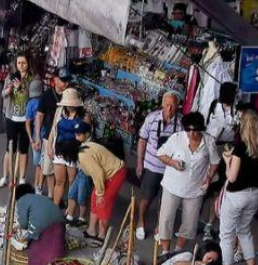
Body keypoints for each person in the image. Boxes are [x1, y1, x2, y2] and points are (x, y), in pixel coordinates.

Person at [218, 110, 258, 265]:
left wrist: (227, 161)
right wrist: (254, 170)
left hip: (236, 195)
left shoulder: (241, 147)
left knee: (226, 235)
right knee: (244, 231)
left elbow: (231, 177)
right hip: (254, 194)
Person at [155, 111, 219, 250]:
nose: (191, 133)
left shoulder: (209, 141)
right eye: (188, 130)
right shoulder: (177, 138)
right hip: (172, 186)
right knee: (166, 219)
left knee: (190, 223)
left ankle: (178, 250)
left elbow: (215, 162)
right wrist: (173, 163)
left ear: (201, 129)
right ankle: (165, 251)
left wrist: (209, 178)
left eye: (195, 130)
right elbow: (160, 154)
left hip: (195, 189)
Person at [135, 91, 182, 241]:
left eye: (173, 105)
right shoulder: (152, 118)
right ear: (162, 104)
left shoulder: (180, 124)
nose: (170, 109)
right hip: (152, 166)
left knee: (165, 202)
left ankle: (159, 227)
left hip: (170, 170)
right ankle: (140, 223)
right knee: (146, 197)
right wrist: (139, 162)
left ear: (177, 106)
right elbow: (142, 140)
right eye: (167, 105)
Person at [75, 121, 126, 244]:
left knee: (103, 202)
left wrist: (101, 192)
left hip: (116, 173)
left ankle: (102, 236)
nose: (76, 136)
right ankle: (92, 230)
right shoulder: (83, 147)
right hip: (108, 173)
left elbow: (98, 173)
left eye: (79, 134)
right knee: (94, 198)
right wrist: (98, 192)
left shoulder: (83, 154)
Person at [201, 81, 239, 239]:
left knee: (218, 191)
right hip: (209, 149)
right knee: (203, 187)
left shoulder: (237, 111)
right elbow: (203, 125)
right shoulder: (213, 106)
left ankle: (209, 226)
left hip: (226, 151)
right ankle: (192, 219)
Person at [13, 183, 65, 265]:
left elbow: (23, 223)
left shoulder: (22, 200)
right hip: (60, 223)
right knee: (55, 249)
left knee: (36, 252)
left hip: (43, 227)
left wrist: (24, 233)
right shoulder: (40, 197)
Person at [0, 55, 37, 188]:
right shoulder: (10, 77)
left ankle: (21, 177)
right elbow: (3, 94)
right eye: (19, 63)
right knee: (10, 148)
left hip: (26, 119)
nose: (21, 65)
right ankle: (5, 176)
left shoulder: (33, 79)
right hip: (12, 117)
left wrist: (21, 87)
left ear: (28, 64)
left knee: (23, 149)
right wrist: (8, 89)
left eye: (24, 63)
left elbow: (32, 97)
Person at [47, 88, 86, 209]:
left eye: (71, 104)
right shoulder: (60, 111)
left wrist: (79, 137)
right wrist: (49, 145)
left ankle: (69, 212)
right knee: (59, 181)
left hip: (73, 153)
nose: (69, 106)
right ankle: (54, 209)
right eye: (67, 104)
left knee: (72, 183)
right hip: (59, 150)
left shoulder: (83, 116)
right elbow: (53, 129)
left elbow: (84, 137)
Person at [32, 69, 66, 191]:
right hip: (49, 137)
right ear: (55, 80)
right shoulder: (46, 95)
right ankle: (50, 194)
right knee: (48, 169)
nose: (66, 83)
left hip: (65, 138)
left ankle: (56, 195)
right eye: (63, 80)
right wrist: (37, 137)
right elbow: (39, 116)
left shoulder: (70, 95)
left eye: (67, 80)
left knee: (61, 171)